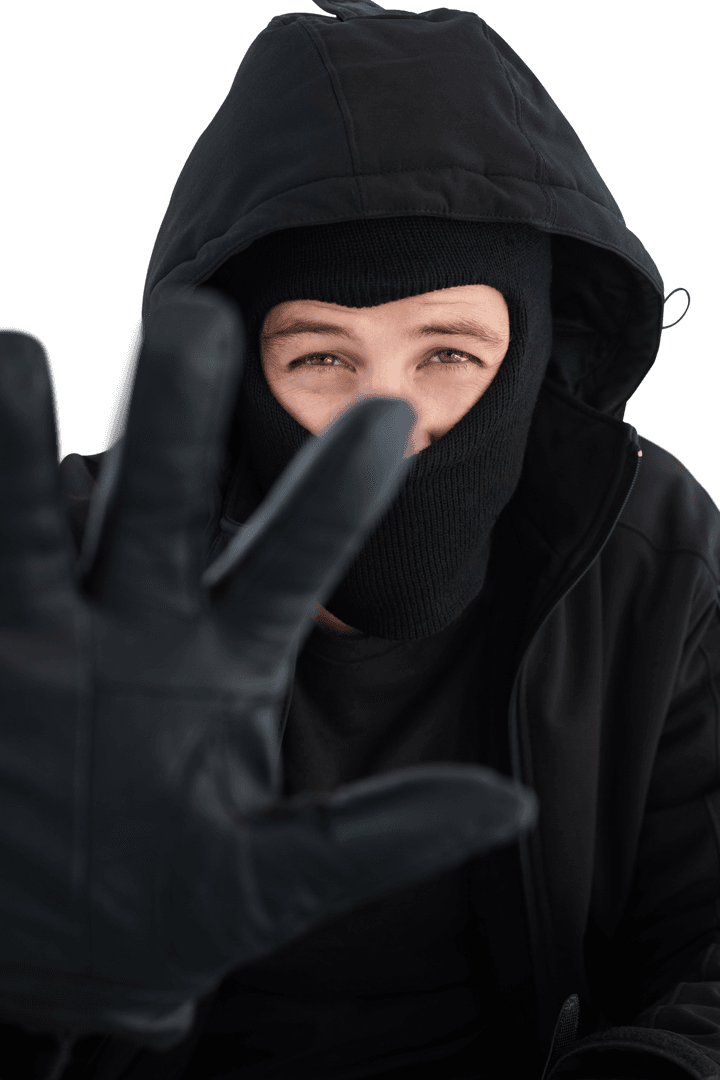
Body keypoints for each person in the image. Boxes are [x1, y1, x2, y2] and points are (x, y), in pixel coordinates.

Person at [0, 0, 713, 1078]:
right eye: (323, 359)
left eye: (450, 354)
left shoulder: (647, 551)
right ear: (240, 373)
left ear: (529, 357)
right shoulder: (64, 592)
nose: (397, 424)